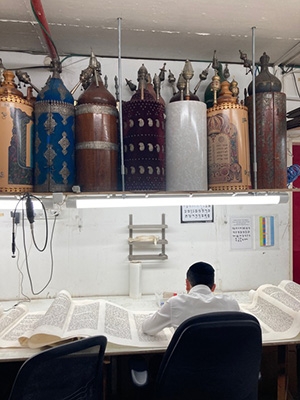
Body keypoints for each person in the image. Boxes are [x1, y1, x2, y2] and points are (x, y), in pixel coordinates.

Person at [142, 261, 240, 336]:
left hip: (187, 362)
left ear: (187, 284)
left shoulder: (176, 303)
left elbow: (147, 329)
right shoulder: (231, 303)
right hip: (224, 361)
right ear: (213, 287)